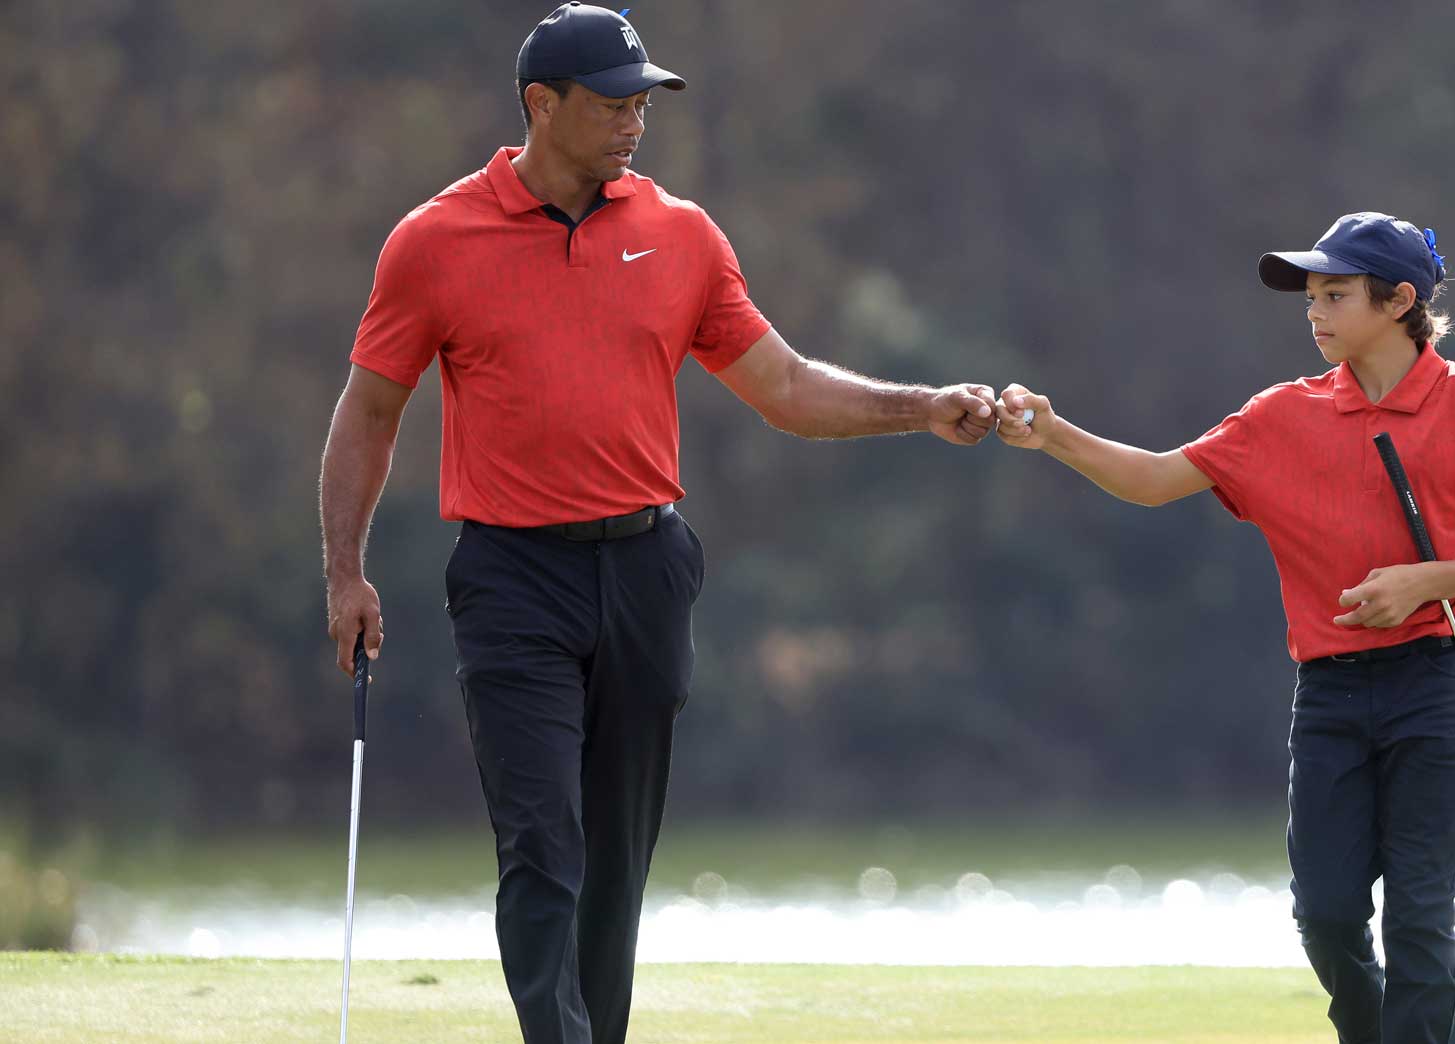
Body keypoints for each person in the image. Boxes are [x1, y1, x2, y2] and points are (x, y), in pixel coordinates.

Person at [317, 6, 997, 1042]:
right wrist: (344, 573)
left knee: (616, 860)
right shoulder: (435, 241)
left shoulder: (680, 234)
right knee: (542, 844)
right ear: (541, 105)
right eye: (612, 102)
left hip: (645, 570)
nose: (636, 120)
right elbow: (369, 411)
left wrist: (922, 407)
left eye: (642, 101)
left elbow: (784, 385)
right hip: (511, 577)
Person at [994, 212, 1455, 1044]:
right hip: (1330, 691)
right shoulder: (1278, 416)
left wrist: (1423, 583)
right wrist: (1053, 436)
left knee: (1418, 916)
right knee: (1327, 914)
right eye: (1311, 297)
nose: (1314, 312)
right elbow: (1154, 480)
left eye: (1335, 295)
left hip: (1440, 679)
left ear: (1400, 300)